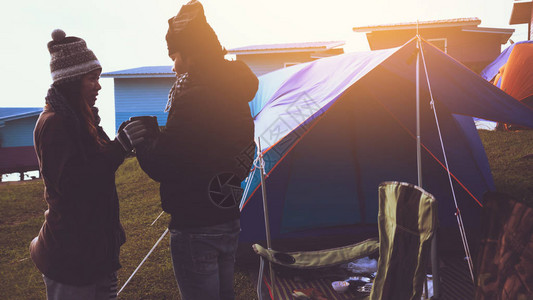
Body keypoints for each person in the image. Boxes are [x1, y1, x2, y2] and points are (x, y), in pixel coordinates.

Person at [135, 1, 258, 299]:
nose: (173, 65)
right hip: (227, 213)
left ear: (192, 55)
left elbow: (167, 163)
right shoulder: (234, 89)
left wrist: (145, 139)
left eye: (175, 56)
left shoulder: (193, 94)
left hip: (195, 221)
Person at [30, 29, 149, 299]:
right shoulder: (54, 124)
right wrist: (120, 146)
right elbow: (74, 187)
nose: (98, 85)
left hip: (94, 252)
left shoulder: (82, 118)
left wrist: (123, 140)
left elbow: (98, 160)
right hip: (71, 258)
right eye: (91, 78)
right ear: (72, 82)